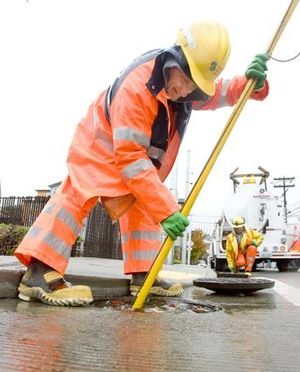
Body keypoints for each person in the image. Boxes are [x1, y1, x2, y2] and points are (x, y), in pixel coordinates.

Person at [15, 20, 269, 306]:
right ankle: (38, 271)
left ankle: (143, 274)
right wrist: (167, 209)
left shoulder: (181, 83)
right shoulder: (137, 89)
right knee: (76, 194)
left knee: (145, 200)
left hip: (136, 156)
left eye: (194, 85)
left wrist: (249, 85)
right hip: (100, 144)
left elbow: (216, 93)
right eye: (186, 80)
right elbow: (130, 157)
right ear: (174, 59)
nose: (185, 91)